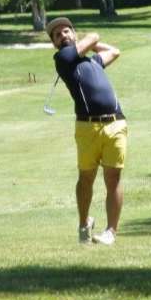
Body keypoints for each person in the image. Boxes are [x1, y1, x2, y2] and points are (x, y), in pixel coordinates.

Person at [46, 17, 128, 245]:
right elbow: (94, 37)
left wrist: (88, 48)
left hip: (115, 123)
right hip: (87, 126)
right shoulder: (63, 59)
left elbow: (115, 51)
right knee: (86, 179)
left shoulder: (93, 62)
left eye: (66, 32)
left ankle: (111, 231)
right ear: (54, 43)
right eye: (57, 35)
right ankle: (84, 223)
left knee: (113, 178)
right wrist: (86, 42)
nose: (62, 36)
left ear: (73, 34)